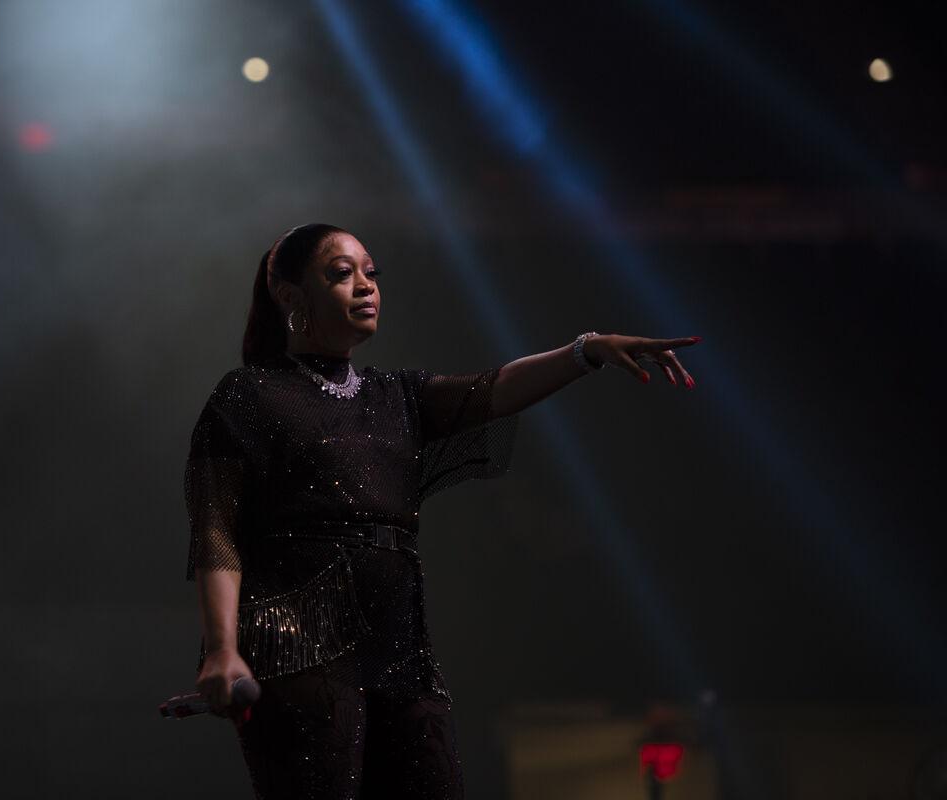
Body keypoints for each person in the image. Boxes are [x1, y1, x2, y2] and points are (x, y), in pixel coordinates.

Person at [184, 223, 700, 798]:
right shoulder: (248, 396)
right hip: (299, 646)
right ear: (288, 294)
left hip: (400, 647)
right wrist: (223, 649)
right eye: (341, 273)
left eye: (371, 273)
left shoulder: (395, 396)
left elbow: (495, 388)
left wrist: (587, 351)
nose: (365, 286)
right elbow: (216, 531)